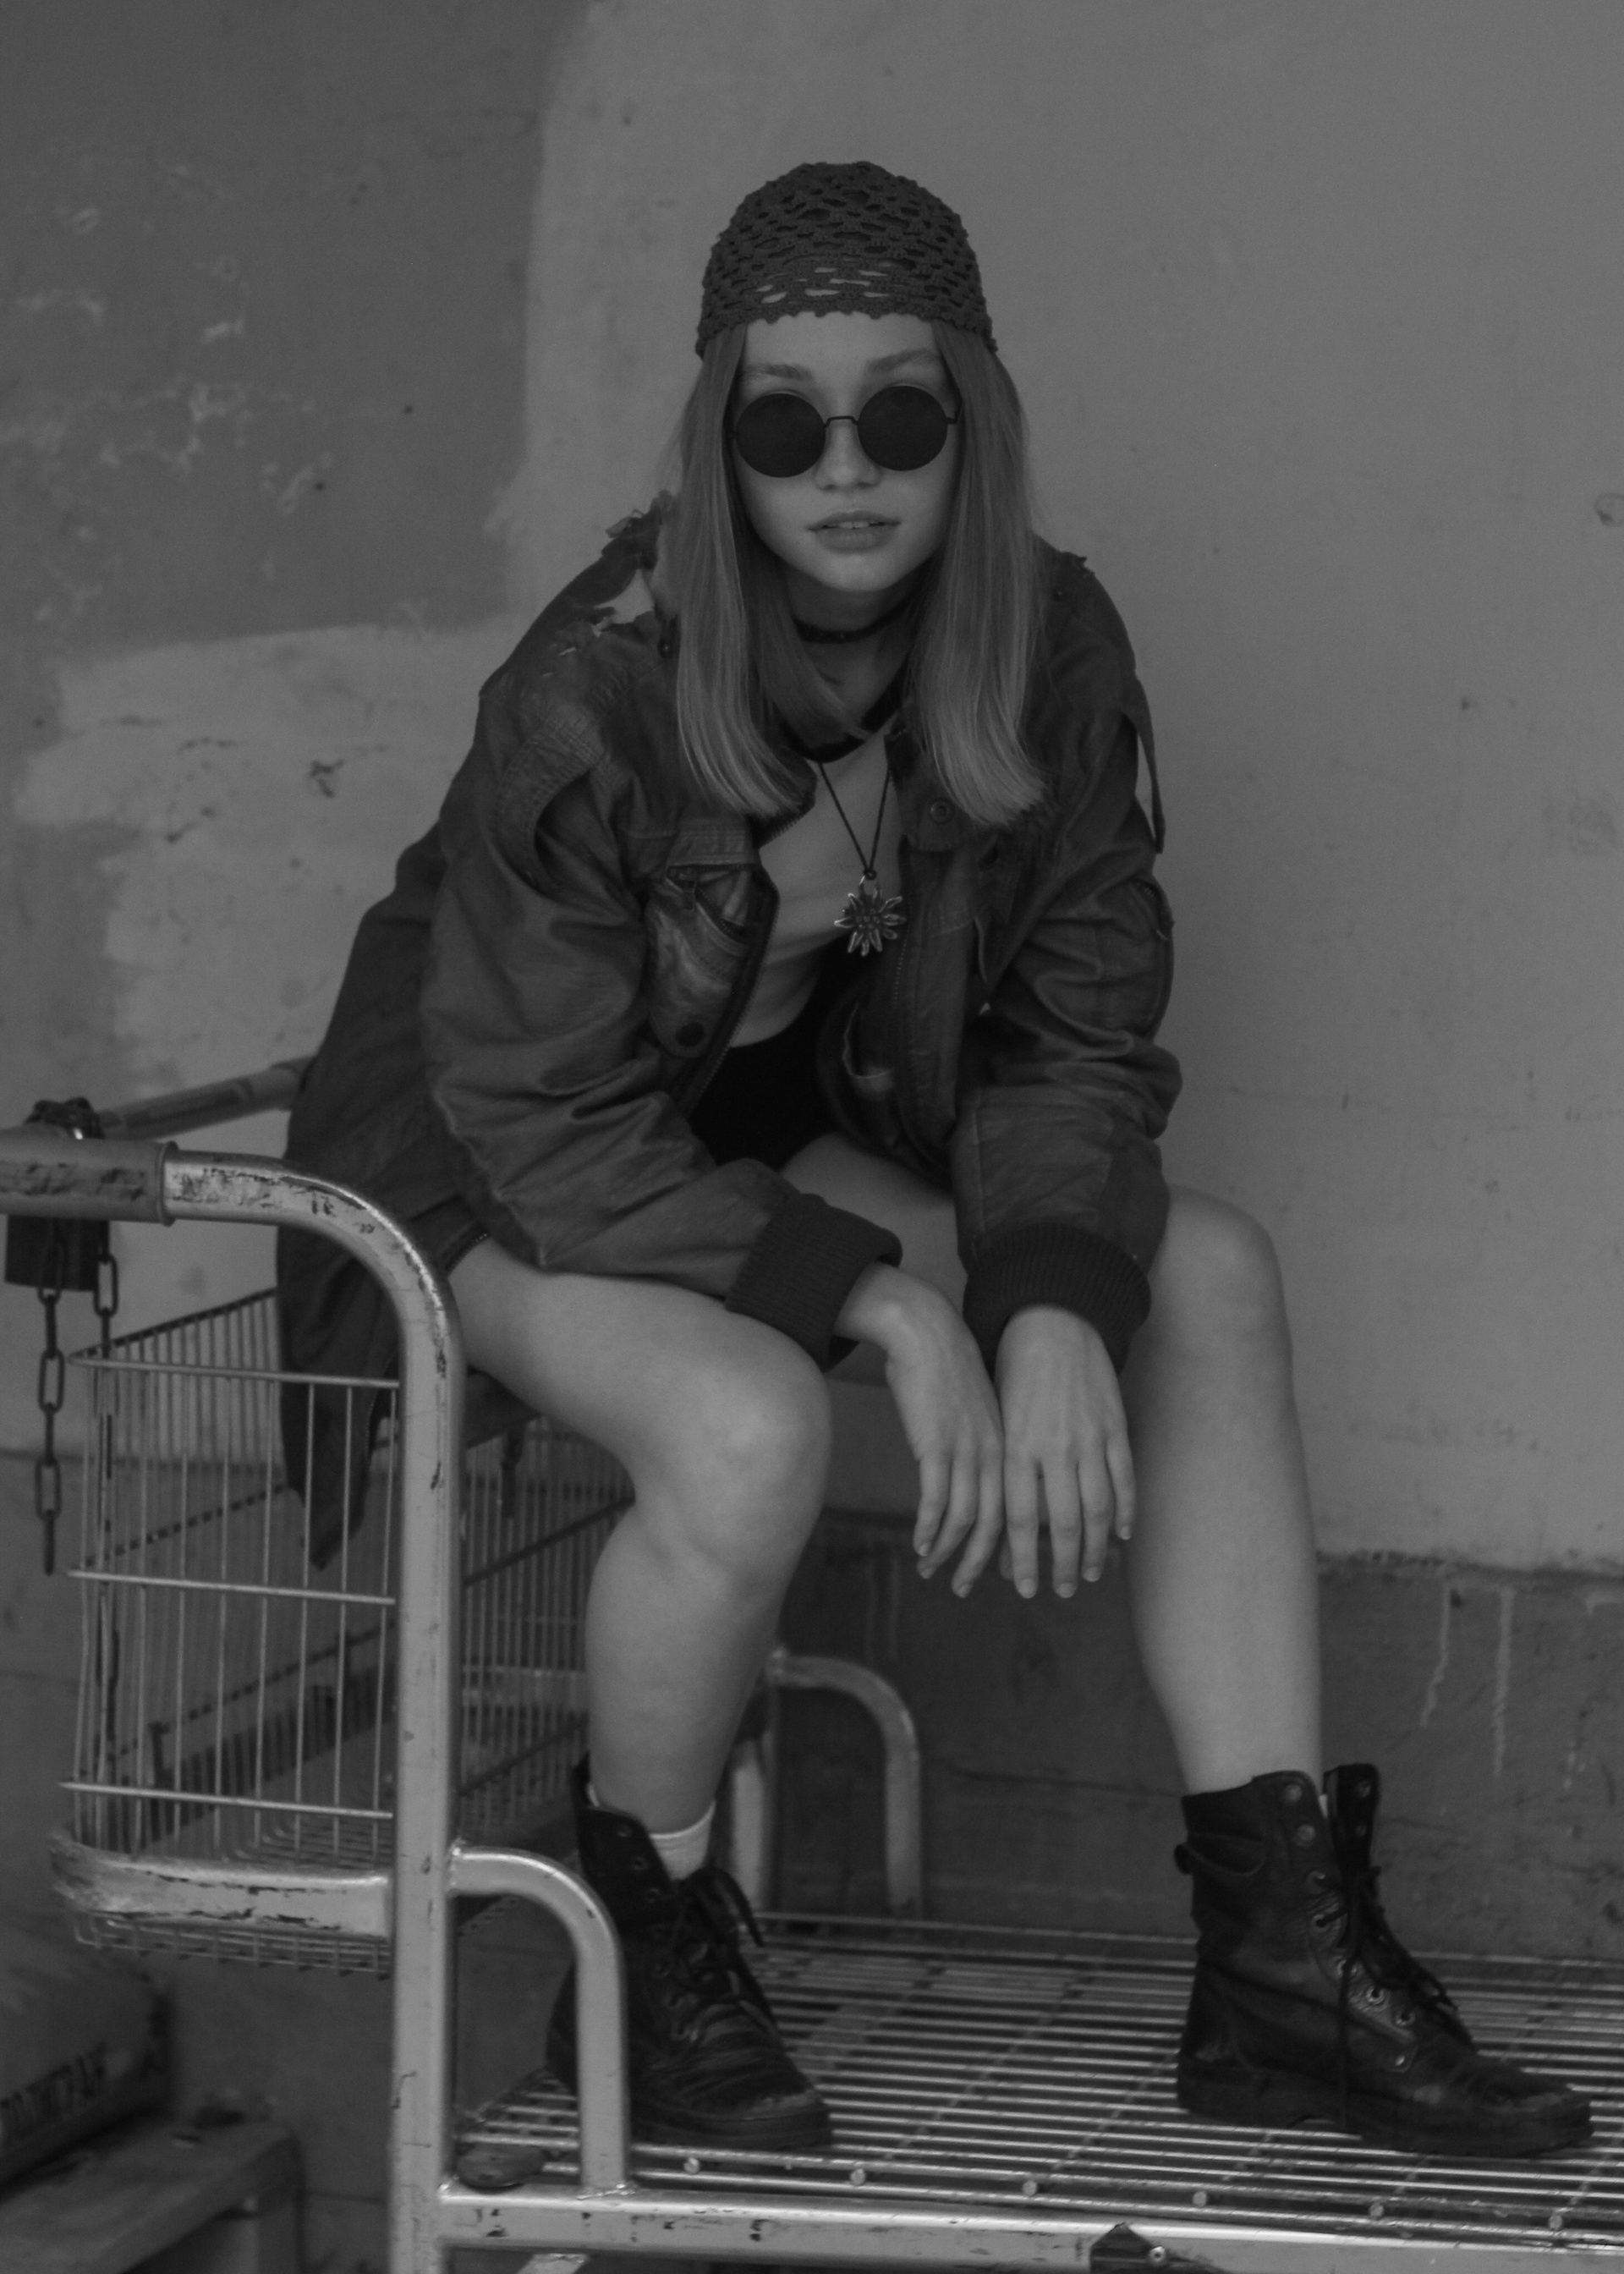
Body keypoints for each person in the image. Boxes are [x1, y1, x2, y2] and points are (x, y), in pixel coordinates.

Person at [277, 162, 1588, 2160]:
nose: (846, 468)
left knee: (1203, 1276)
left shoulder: (1045, 647)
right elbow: (539, 1108)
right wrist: (882, 1300)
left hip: (748, 1119)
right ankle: (647, 1945)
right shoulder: (601, 680)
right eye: (784, 423)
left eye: (902, 412)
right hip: (488, 1149)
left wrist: (1048, 1300)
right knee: (748, 1425)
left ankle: (1280, 1970)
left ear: (972, 421)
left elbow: (1076, 1030)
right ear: (717, 439)